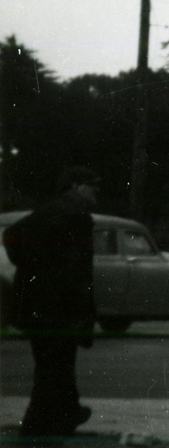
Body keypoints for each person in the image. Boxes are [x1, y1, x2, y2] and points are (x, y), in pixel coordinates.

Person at [3, 166, 100, 438]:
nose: (97, 193)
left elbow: (11, 234)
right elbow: (80, 272)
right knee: (56, 365)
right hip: (60, 307)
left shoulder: (44, 212)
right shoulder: (78, 218)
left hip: (34, 304)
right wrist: (84, 311)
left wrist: (28, 266)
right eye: (93, 187)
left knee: (51, 363)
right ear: (76, 187)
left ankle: (65, 414)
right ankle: (40, 425)